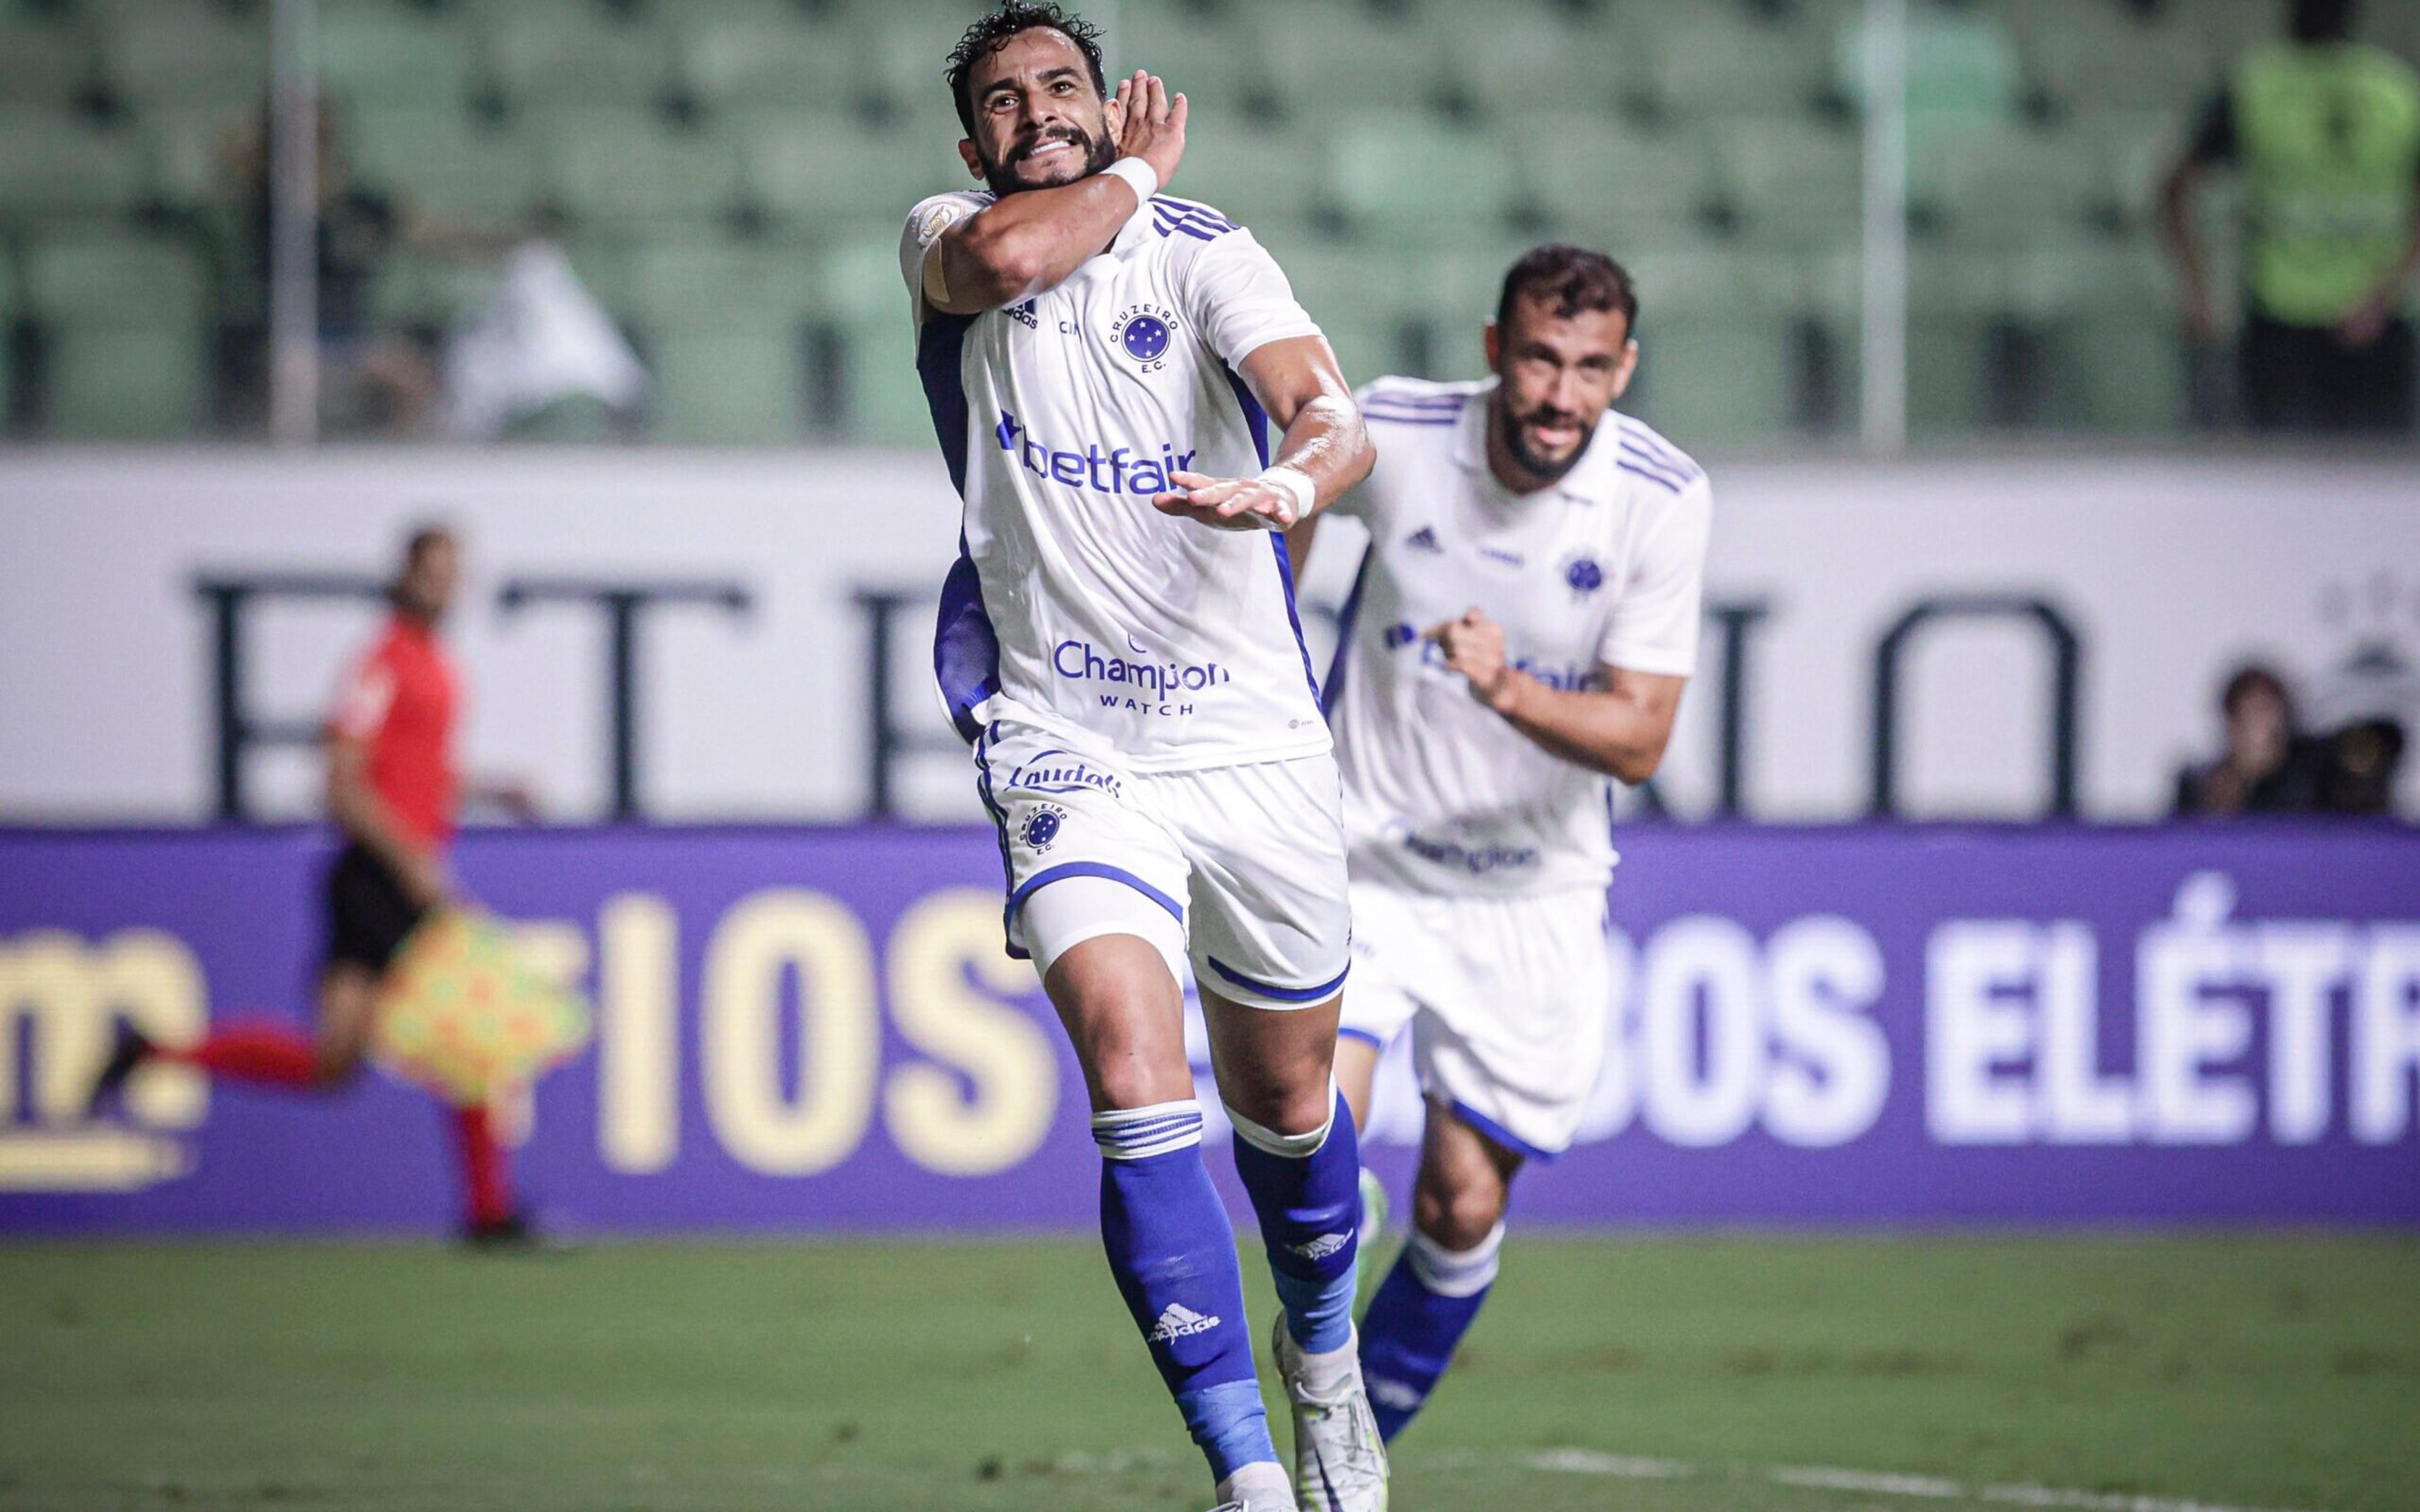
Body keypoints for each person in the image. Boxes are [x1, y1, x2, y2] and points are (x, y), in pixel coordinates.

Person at [900, 8, 1383, 1509]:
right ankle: (1244, 1467)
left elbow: (1331, 413)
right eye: (1004, 100)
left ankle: (1323, 1362)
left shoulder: (1199, 252)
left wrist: (1287, 477)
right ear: (969, 142)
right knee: (1126, 1055)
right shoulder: (943, 240)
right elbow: (1006, 263)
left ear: (1106, 102)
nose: (1035, 113)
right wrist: (1125, 175)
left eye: (1063, 88)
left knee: (1291, 1112)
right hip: (1064, 733)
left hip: (1248, 743)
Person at [1289, 246, 1711, 1443]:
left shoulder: (1659, 499)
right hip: (1360, 863)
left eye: (1588, 368)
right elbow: (1295, 489)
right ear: (1494, 351)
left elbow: (1639, 741)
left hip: (1532, 895)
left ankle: (1351, 1440)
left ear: (1623, 371)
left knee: (1464, 1206)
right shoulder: (1400, 429)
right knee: (1315, 1132)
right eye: (1538, 359)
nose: (1558, 394)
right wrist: (1270, 621)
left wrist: (1507, 688)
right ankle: (1319, 1281)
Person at [89, 527, 541, 1245]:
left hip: (394, 876)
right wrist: (411, 862)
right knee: (474, 1031)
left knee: (333, 1063)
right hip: (379, 877)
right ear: (407, 575)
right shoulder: (381, 663)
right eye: (434, 570)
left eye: (456, 571)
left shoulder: (438, 667)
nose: (446, 584)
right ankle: (489, 1213)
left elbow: (418, 778)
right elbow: (345, 784)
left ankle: (153, 1053)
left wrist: (491, 790)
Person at [2160, 0, 2420, 434]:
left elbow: (2173, 188)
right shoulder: (2396, 87)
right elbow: (2174, 188)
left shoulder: (2255, 84)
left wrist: (2198, 289)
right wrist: (2384, 294)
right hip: (2366, 319)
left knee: (2277, 484)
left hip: (2283, 315)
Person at [227, 100, 524, 437]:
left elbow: (438, 236)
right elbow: (231, 159)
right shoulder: (268, 198)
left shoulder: (364, 205)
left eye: (319, 135)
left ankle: (396, 465)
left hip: (353, 337)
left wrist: (513, 239)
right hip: (287, 339)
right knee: (291, 379)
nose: (311, 145)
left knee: (413, 377)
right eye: (299, 136)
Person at [2172, 663, 2327, 815]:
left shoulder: (2312, 777)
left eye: (2275, 714)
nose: (2270, 725)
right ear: (2233, 723)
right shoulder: (2201, 786)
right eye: (2258, 712)